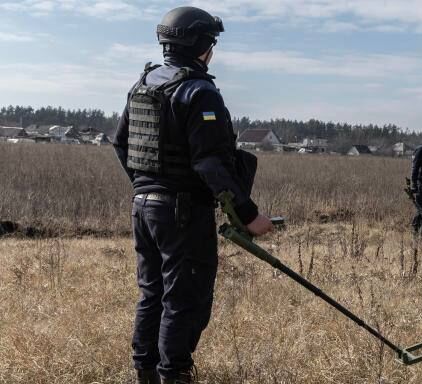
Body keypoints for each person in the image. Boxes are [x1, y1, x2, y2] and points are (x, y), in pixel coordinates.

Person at [112, 6, 273, 384]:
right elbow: (210, 164)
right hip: (182, 212)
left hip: (143, 209)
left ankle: (146, 373)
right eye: (211, 43)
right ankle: (174, 375)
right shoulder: (199, 91)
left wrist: (145, 187)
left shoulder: (144, 84)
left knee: (153, 294)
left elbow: (121, 144)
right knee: (185, 301)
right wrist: (249, 215)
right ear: (203, 45)